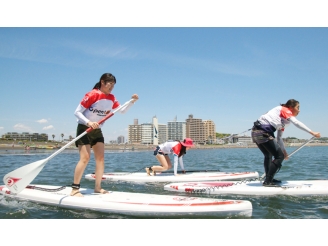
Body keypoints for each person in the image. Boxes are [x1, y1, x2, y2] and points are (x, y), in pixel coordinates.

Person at [71, 73, 139, 197]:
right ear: (103, 82)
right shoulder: (92, 94)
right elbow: (77, 112)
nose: (112, 87)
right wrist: (89, 122)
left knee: (101, 159)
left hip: (97, 130)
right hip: (84, 128)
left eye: (114, 85)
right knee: (85, 158)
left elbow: (122, 111)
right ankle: (75, 189)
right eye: (110, 84)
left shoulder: (111, 98)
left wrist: (132, 102)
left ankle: (97, 187)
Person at [251, 99, 320, 187]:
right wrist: (312, 132)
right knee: (279, 156)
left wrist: (284, 151)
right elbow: (296, 122)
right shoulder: (284, 109)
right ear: (290, 107)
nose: (299, 110)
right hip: (263, 132)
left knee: (268, 155)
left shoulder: (284, 120)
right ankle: (268, 181)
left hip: (256, 132)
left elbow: (279, 138)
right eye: (298, 107)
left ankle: (269, 179)